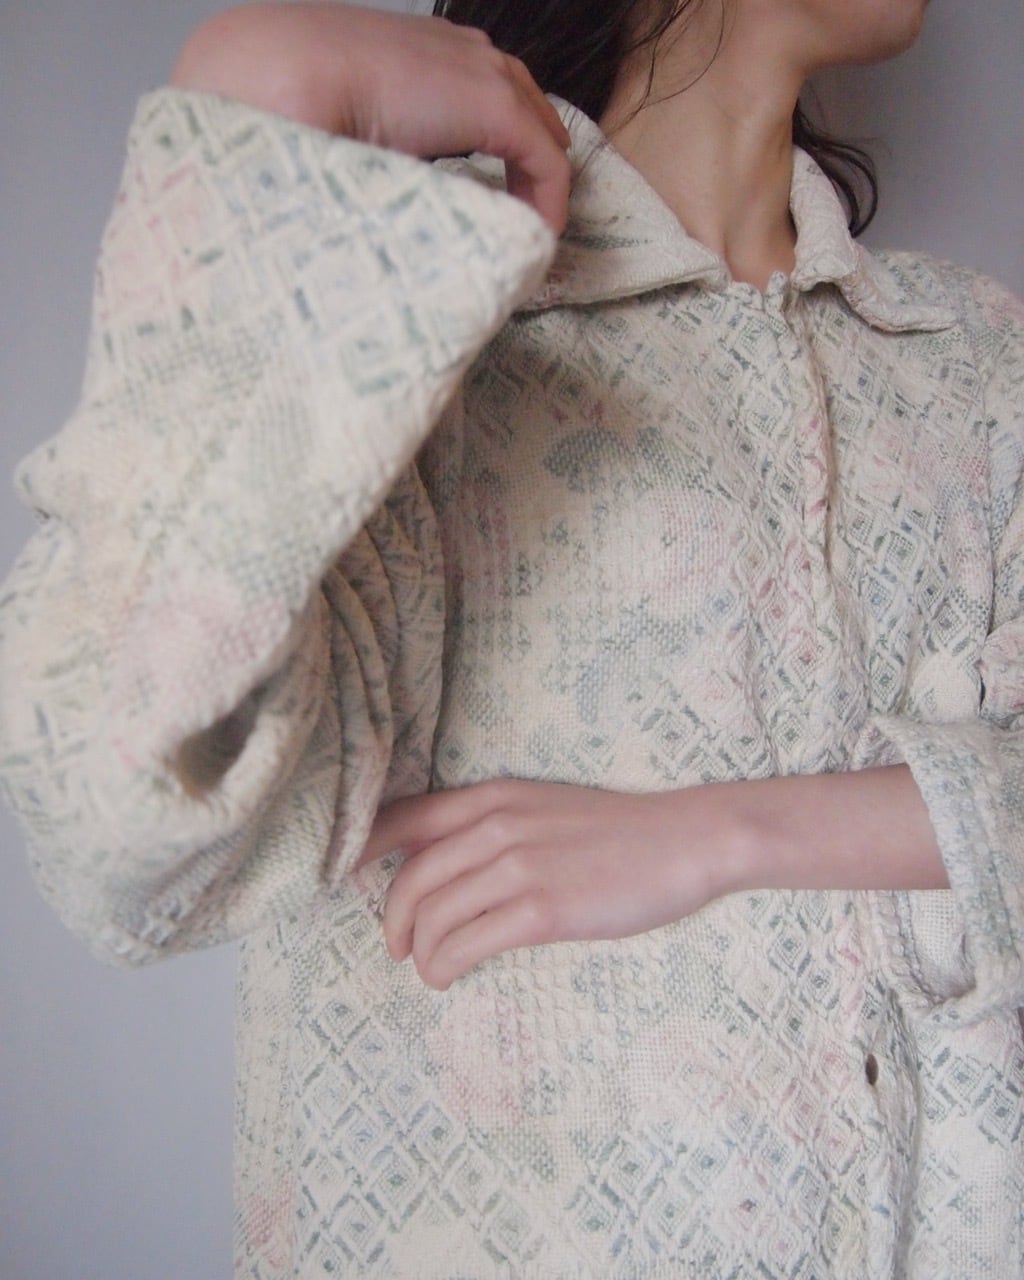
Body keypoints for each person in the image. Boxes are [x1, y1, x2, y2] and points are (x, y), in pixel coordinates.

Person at [1, 0, 1021, 1275]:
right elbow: (115, 831)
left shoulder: (976, 359)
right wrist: (246, 122)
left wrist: (718, 834)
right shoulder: (410, 310)